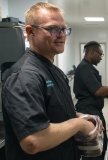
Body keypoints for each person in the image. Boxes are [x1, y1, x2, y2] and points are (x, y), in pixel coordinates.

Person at [2, 2, 101, 160]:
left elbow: (52, 112)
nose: (61, 35)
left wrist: (80, 116)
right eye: (53, 29)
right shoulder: (25, 75)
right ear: (30, 32)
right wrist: (79, 124)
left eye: (64, 29)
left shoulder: (53, 70)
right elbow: (33, 140)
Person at [73, 41, 108, 160]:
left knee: (101, 146)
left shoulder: (87, 67)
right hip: (88, 112)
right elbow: (97, 90)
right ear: (91, 52)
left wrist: (106, 94)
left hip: (93, 109)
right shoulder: (85, 68)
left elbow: (91, 92)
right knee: (93, 151)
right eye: (100, 54)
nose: (101, 58)